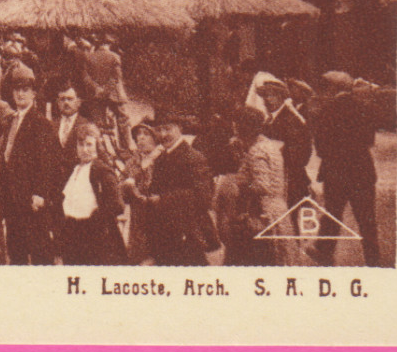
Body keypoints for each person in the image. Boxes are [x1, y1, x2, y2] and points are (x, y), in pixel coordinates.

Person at [314, 70, 383, 266]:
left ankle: (324, 253)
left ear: (333, 88)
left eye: (325, 88)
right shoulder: (363, 108)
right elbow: (369, 139)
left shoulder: (327, 110)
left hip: (335, 172)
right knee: (367, 219)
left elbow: (320, 147)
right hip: (362, 171)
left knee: (333, 214)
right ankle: (373, 259)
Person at [0, 64, 62, 265]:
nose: (20, 94)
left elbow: (48, 163)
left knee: (39, 251)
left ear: (34, 93)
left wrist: (41, 193)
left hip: (32, 201)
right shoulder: (10, 121)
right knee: (16, 251)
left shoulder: (41, 124)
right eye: (16, 90)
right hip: (12, 199)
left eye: (25, 90)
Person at [141, 110, 215, 266]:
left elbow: (204, 197)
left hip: (187, 232)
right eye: (159, 130)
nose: (163, 134)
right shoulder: (161, 158)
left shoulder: (193, 157)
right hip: (163, 234)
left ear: (180, 128)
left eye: (168, 129)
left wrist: (163, 199)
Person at [56, 123, 128, 266]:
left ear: (97, 145)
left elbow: (117, 205)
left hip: (95, 236)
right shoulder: (74, 169)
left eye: (89, 145)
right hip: (72, 233)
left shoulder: (102, 171)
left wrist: (94, 220)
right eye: (81, 145)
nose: (85, 149)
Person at [224, 106, 287, 266]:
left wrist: (238, 185)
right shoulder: (267, 145)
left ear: (241, 127)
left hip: (260, 215)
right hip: (275, 211)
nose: (233, 127)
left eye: (235, 124)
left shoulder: (257, 151)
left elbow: (262, 186)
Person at [256, 72, 313, 209]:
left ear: (281, 97)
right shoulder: (269, 120)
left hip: (290, 181)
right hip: (276, 179)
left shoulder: (290, 120)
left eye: (271, 95)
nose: (266, 100)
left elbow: (300, 155)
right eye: (264, 96)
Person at [120, 121, 161, 263]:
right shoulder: (132, 162)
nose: (140, 138)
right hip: (136, 219)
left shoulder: (163, 160)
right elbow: (121, 187)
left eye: (146, 134)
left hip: (158, 217)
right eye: (138, 134)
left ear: (156, 138)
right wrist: (127, 186)